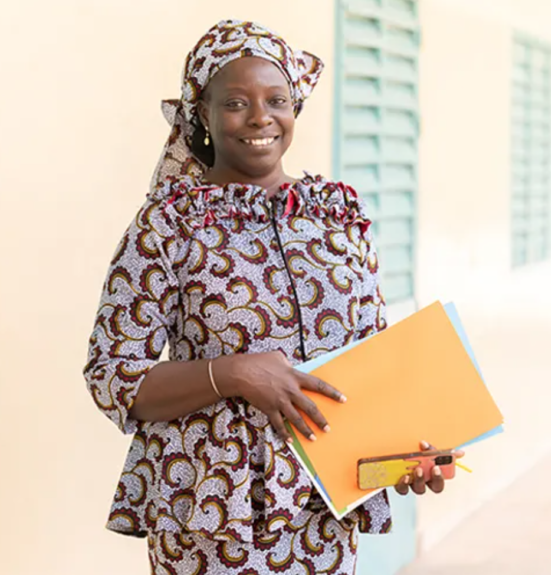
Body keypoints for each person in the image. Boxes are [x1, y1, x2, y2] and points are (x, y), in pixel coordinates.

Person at [83, 19, 463, 574]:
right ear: (203, 115)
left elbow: (373, 360)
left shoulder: (339, 215)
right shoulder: (167, 225)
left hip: (322, 507)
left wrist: (412, 447)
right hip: (212, 516)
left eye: (276, 99)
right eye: (235, 102)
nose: (260, 118)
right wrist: (232, 373)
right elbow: (111, 373)